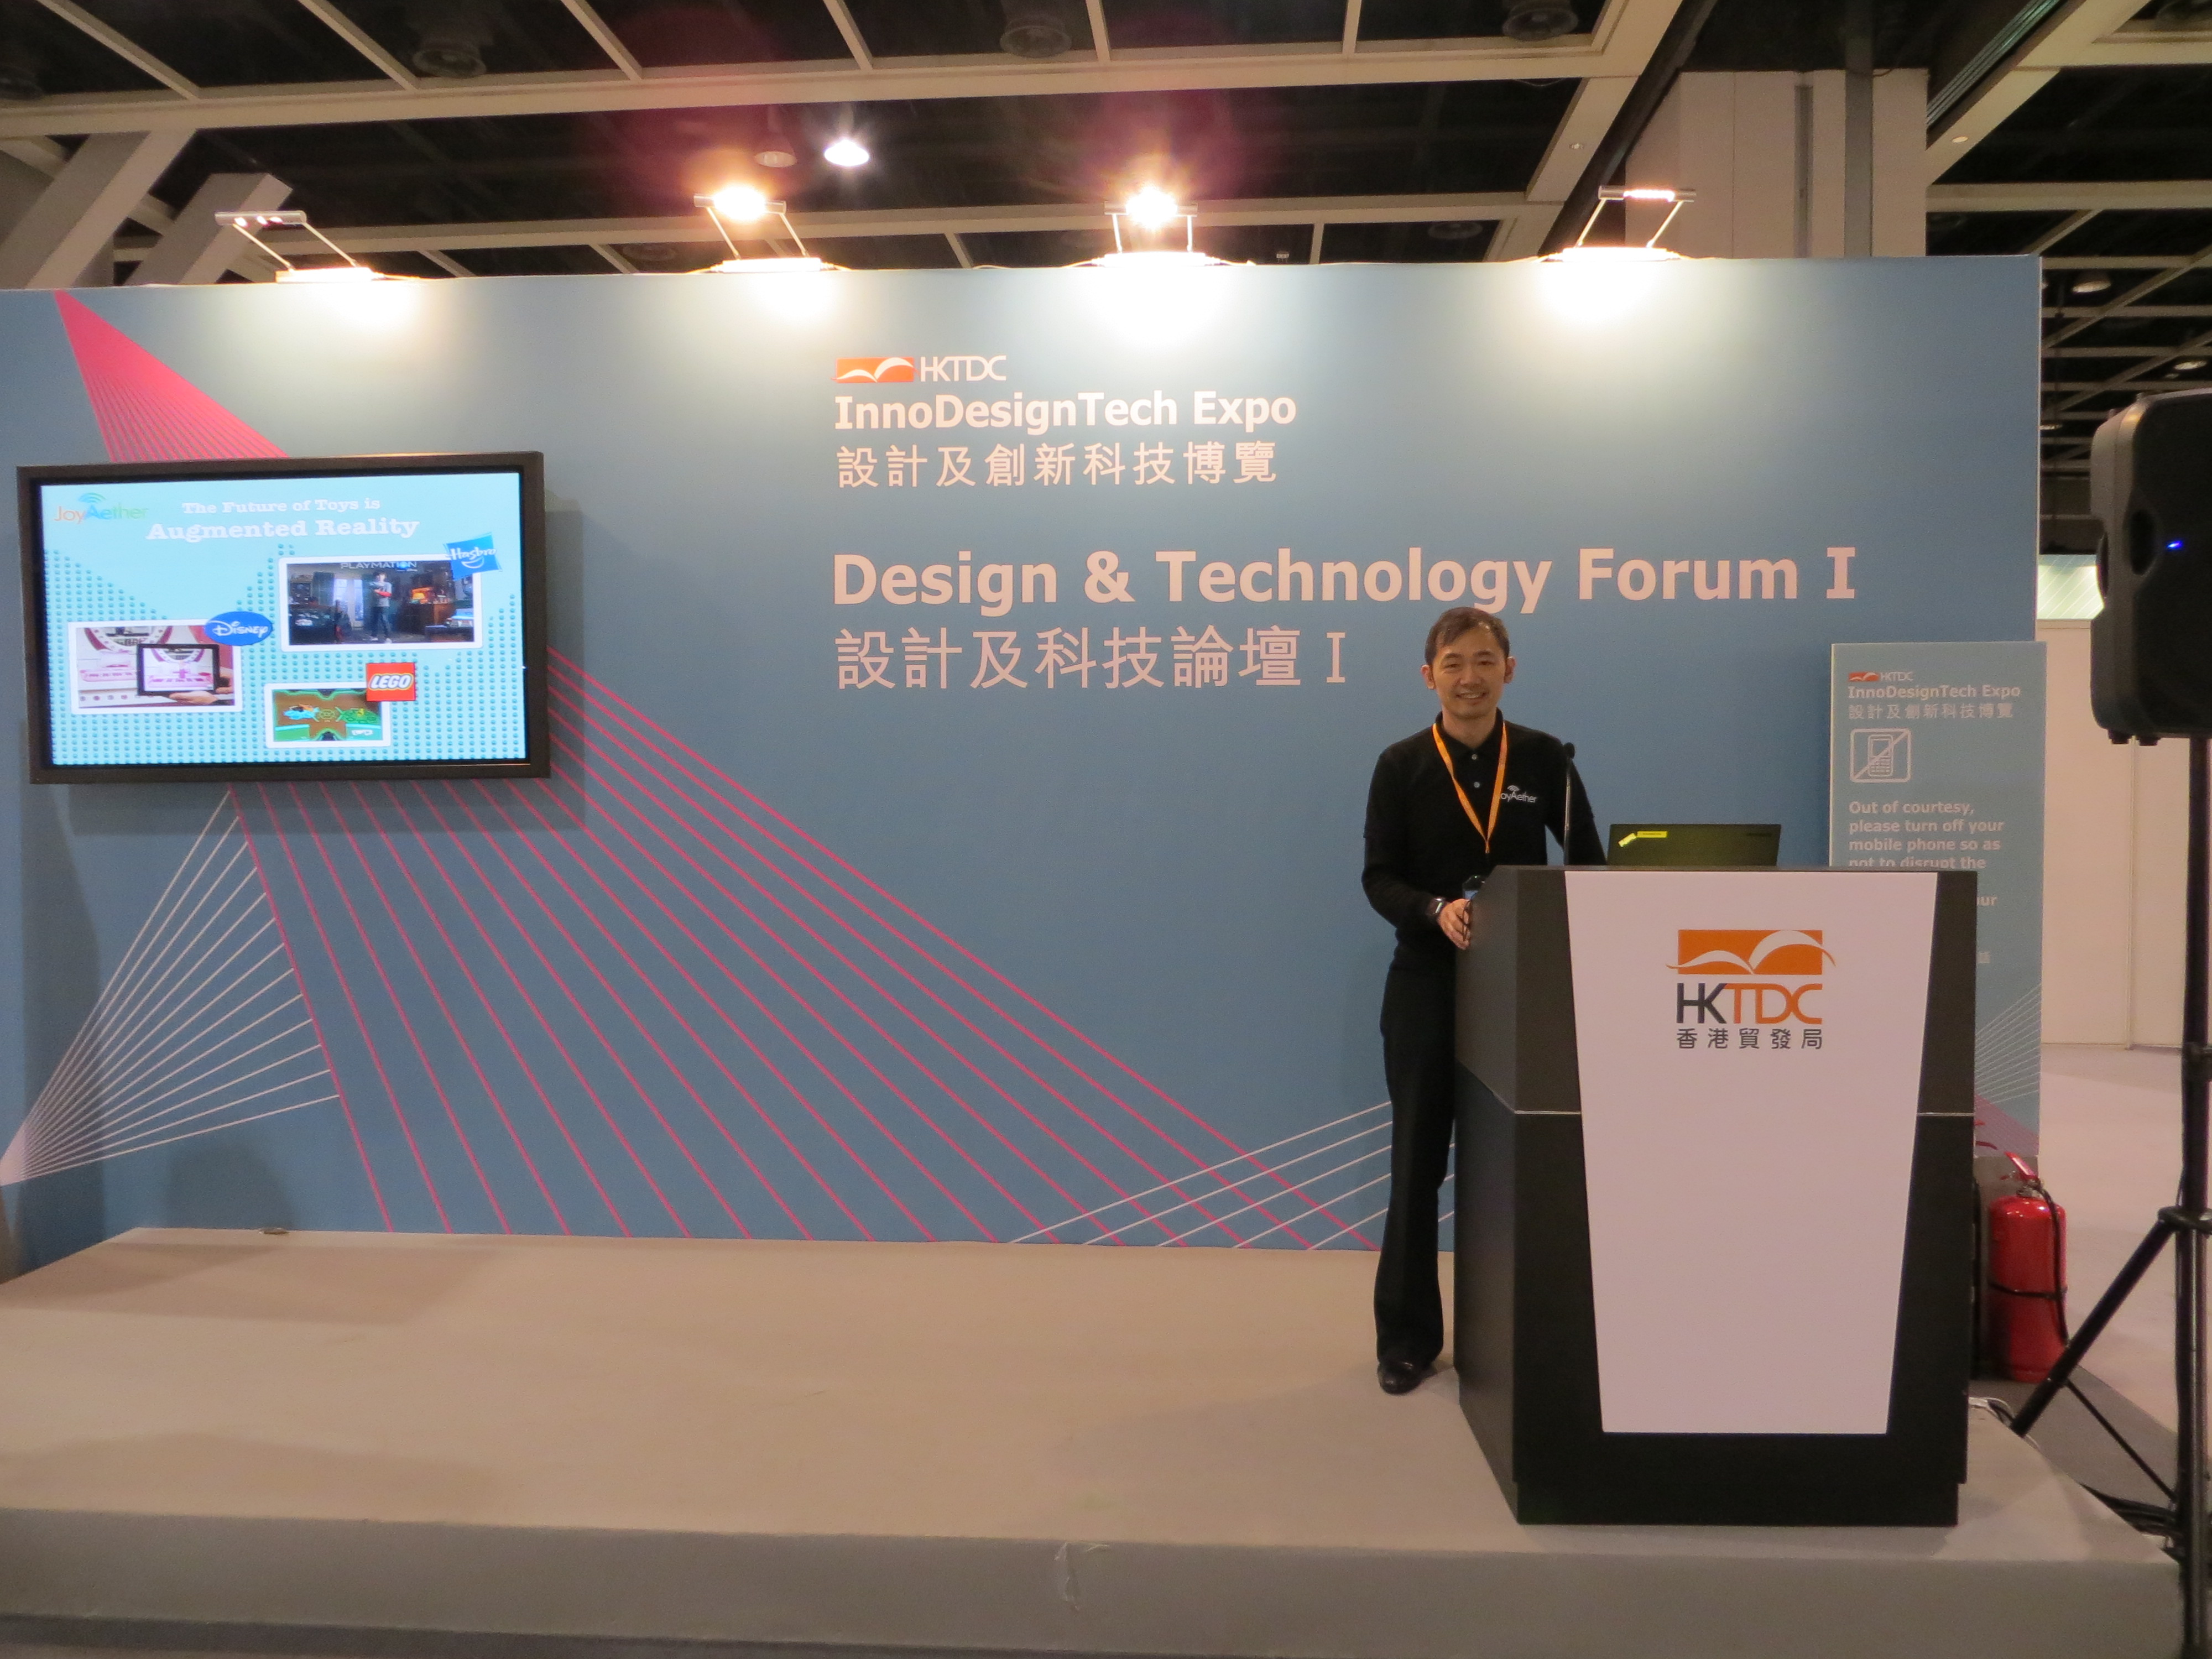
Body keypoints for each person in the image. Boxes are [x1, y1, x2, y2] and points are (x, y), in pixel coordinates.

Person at [1360, 606, 1602, 1396]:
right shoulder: (1400, 764)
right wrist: (1435, 909)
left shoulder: (1546, 758)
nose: (1470, 678)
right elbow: (1378, 878)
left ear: (1510, 669)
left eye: (1485, 661)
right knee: (1416, 1165)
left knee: (1525, 1167)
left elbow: (1589, 865)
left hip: (1523, 991)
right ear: (1428, 675)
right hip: (1428, 984)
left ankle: (1524, 1336)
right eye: (1454, 663)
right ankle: (1406, 1341)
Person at [366, 571, 395, 643]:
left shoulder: (388, 584)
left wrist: (378, 592)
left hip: (384, 605)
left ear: (385, 577)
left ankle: (388, 637)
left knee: (384, 620)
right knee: (374, 621)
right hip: (374, 605)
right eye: (378, 576)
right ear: (376, 577)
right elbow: (371, 587)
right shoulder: (372, 583)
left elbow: (388, 594)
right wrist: (378, 590)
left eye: (382, 575)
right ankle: (374, 636)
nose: (380, 577)